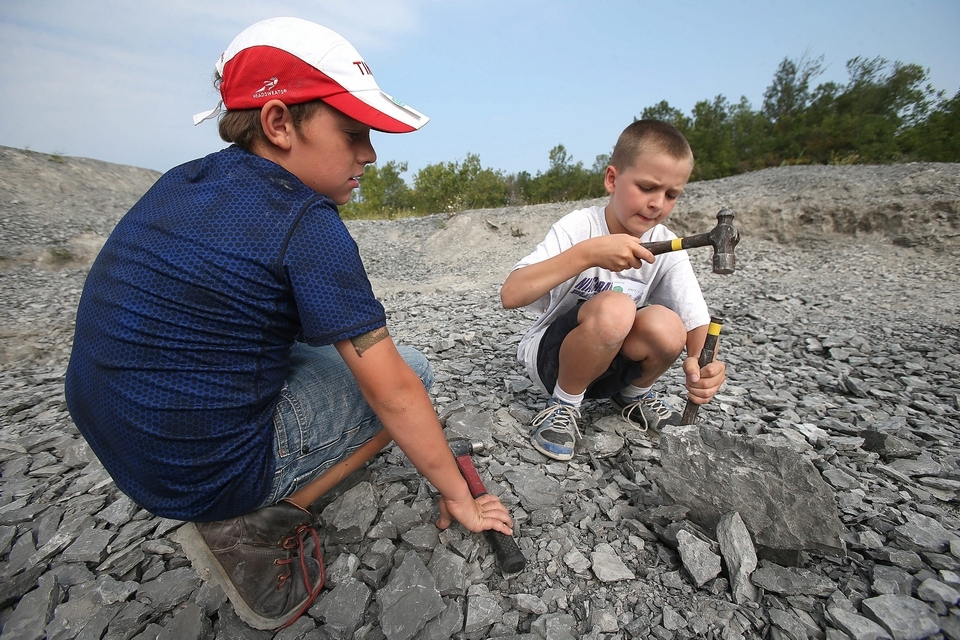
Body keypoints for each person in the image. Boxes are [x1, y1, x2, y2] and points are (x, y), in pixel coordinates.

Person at [64, 17, 512, 631]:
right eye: (353, 131)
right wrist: (460, 496)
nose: (371, 152)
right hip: (202, 471)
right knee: (419, 371)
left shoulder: (181, 182)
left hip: (120, 440)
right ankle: (251, 524)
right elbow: (394, 390)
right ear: (278, 123)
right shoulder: (306, 222)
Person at [500, 119, 726, 461]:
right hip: (553, 363)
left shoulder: (666, 243)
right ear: (612, 179)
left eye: (671, 195)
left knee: (668, 326)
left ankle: (632, 395)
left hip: (612, 370)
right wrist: (588, 253)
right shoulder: (579, 226)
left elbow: (697, 324)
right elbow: (511, 295)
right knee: (616, 308)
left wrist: (704, 367)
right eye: (647, 187)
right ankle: (562, 406)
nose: (657, 204)